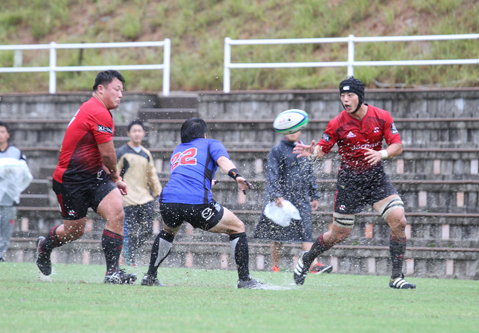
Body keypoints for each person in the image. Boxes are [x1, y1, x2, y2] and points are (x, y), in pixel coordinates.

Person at [293, 76, 416, 289]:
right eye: (342, 95)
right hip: (349, 183)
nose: (346, 99)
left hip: (376, 180)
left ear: (360, 96)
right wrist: (312, 152)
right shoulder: (337, 123)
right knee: (339, 234)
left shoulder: (382, 117)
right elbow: (322, 151)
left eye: (350, 95)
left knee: (399, 220)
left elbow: (397, 145)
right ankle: (306, 258)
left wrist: (382, 153)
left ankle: (396, 277)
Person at [35, 70, 137, 284]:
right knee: (74, 231)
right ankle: (45, 246)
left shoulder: (99, 110)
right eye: (117, 90)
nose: (120, 95)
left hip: (96, 177)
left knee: (117, 213)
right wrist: (117, 177)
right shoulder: (97, 111)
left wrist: (113, 180)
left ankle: (112, 273)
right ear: (101, 89)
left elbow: (100, 154)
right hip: (71, 181)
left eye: (122, 91)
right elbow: (108, 154)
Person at [141, 117, 267, 289]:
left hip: (168, 200)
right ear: (205, 134)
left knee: (168, 232)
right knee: (237, 227)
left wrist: (209, 183)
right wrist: (236, 175)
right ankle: (244, 280)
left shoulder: (178, 150)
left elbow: (185, 176)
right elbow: (223, 161)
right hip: (195, 202)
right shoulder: (211, 143)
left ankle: (150, 276)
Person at [253, 130, 332, 274]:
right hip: (283, 198)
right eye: (289, 130)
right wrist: (276, 195)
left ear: (300, 130)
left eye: (295, 130)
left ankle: (313, 265)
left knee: (306, 231)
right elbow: (272, 173)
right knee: (277, 235)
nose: (293, 133)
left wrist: (314, 194)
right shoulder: (277, 149)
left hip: (301, 197)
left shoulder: (303, 147)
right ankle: (275, 266)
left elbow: (309, 171)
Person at [117, 119, 162, 266]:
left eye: (139, 131)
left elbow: (152, 175)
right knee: (129, 231)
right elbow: (115, 174)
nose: (137, 134)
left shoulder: (146, 153)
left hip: (144, 198)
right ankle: (130, 260)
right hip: (127, 198)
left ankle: (131, 252)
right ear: (129, 133)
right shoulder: (122, 152)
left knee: (147, 230)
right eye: (134, 131)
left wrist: (159, 194)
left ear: (143, 133)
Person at [0, 121, 28, 262]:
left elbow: (24, 171)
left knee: (6, 229)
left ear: (8, 134)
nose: (0, 135)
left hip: (10, 197)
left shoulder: (15, 152)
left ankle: (0, 255)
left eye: (2, 132)